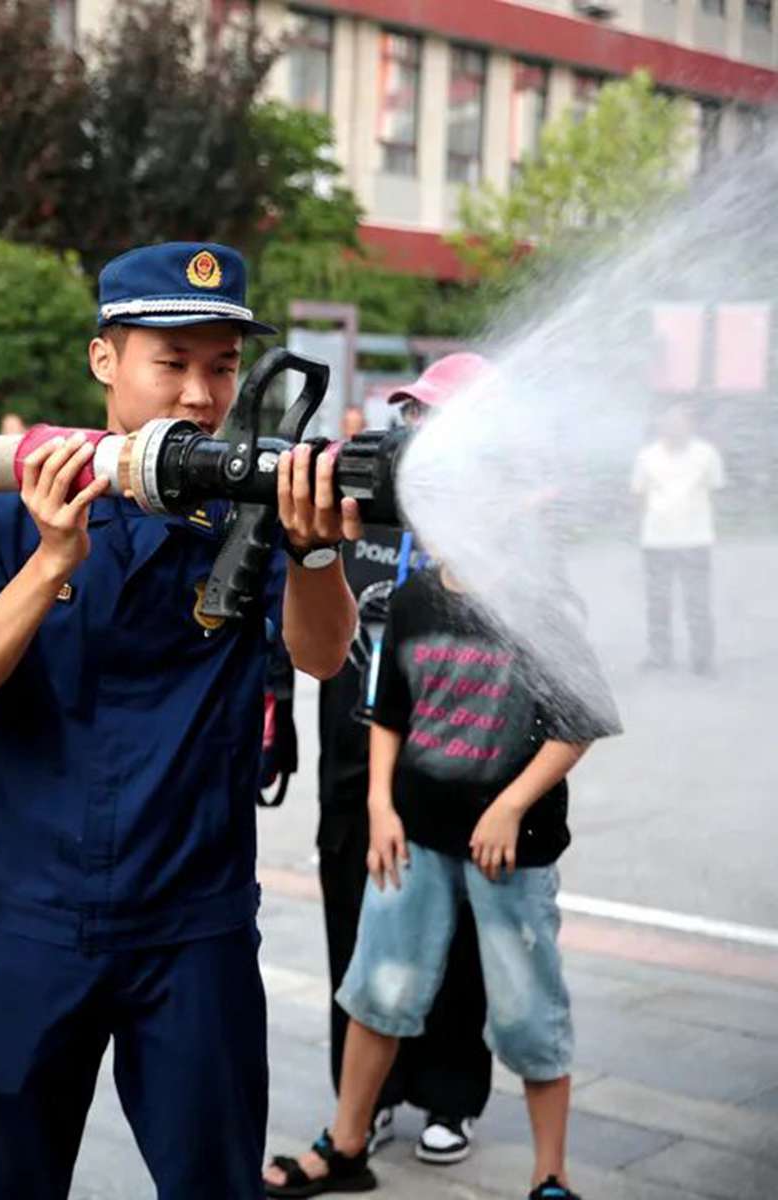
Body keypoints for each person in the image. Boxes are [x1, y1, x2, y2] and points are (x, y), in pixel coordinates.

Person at [0, 241, 360, 1197]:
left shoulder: (254, 498)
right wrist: (50, 560)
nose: (201, 393)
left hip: (192, 920)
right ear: (104, 361)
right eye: (174, 362)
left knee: (213, 1176)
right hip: (34, 915)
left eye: (223, 365)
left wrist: (317, 555)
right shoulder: (18, 500)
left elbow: (325, 656)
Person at [263, 558, 620, 1200]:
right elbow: (389, 711)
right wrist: (380, 804)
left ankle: (551, 1176)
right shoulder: (414, 598)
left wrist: (511, 807)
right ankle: (347, 1145)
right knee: (380, 991)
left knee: (527, 1013)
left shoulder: (537, 597)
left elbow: (580, 720)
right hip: (414, 837)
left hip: (512, 851)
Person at [309, 356, 497, 1170]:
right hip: (354, 756)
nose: (417, 433)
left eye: (437, 417)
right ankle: (368, 1098)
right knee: (352, 924)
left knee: (454, 934)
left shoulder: (493, 531)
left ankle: (449, 1095)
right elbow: (304, 592)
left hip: (452, 764)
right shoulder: (356, 500)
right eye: (411, 414)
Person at [631, 403, 724, 675]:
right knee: (658, 600)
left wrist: (704, 525)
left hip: (695, 539)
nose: (674, 429)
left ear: (690, 426)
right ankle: (659, 654)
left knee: (698, 601)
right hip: (657, 540)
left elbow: (715, 490)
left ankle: (702, 657)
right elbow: (639, 495)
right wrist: (643, 529)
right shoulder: (647, 457)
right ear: (660, 428)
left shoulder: (705, 454)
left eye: (680, 423)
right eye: (668, 424)